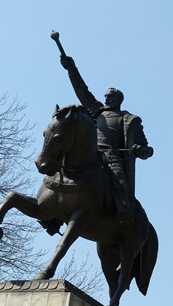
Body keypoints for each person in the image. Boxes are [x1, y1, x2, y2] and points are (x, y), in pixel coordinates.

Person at [60, 55, 153, 229]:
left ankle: (125, 212)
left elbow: (148, 149)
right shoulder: (97, 110)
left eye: (110, 97)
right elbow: (82, 90)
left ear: (119, 99)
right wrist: (71, 69)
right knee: (61, 163)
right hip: (91, 152)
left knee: (120, 182)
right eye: (106, 96)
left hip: (112, 158)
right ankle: (52, 212)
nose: (107, 99)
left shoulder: (129, 119)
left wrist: (140, 149)